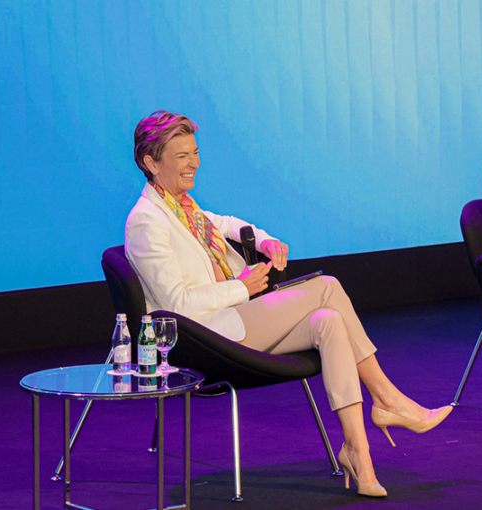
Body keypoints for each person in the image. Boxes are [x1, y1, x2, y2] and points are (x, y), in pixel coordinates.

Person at [125, 110, 451, 497]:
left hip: (230, 320)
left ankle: (358, 454)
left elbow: (225, 224)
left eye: (195, 152)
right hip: (205, 337)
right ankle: (388, 398)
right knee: (327, 286)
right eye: (181, 156)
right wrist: (243, 288)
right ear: (150, 162)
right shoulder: (147, 222)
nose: (194, 163)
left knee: (329, 321)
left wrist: (263, 240)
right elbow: (176, 304)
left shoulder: (185, 209)